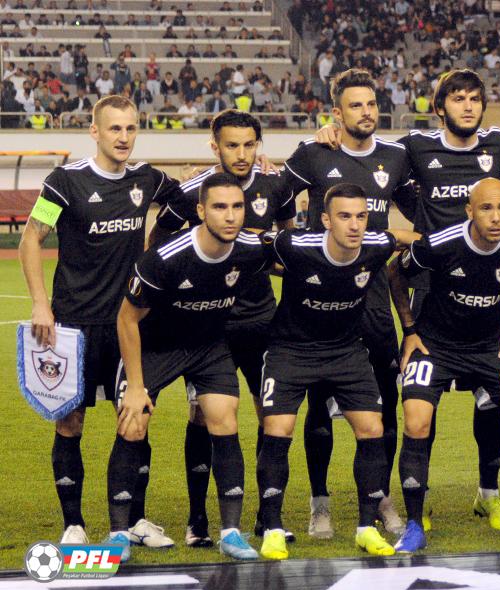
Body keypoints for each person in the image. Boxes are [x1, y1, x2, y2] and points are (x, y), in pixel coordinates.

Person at [314, 68, 500, 532]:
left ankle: (489, 495)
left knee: (489, 398)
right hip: (429, 291)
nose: (467, 106)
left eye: (474, 98)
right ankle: (417, 498)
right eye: (457, 98)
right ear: (439, 107)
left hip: (487, 290)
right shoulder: (414, 148)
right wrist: (330, 131)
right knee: (422, 402)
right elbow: (368, 156)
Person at [18, 94, 182, 548]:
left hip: (127, 325)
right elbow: (31, 239)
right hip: (72, 325)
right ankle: (73, 524)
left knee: (135, 419)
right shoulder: (64, 182)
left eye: (130, 128)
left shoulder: (147, 179)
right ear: (95, 131)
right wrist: (40, 304)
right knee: (69, 423)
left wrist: (154, 247)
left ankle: (135, 521)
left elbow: (191, 200)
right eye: (114, 128)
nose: (123, 137)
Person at [389, 179, 500, 552]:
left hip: (489, 347)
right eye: (486, 208)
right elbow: (395, 273)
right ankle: (414, 526)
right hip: (435, 346)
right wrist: (409, 331)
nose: (496, 217)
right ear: (469, 211)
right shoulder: (440, 244)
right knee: (417, 420)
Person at [150, 110, 296, 548]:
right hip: (207, 326)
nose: (242, 153)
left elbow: (288, 245)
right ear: (215, 146)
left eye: (249, 144)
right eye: (232, 145)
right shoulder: (192, 191)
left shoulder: (276, 185)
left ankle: (268, 518)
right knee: (203, 416)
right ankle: (197, 520)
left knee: (271, 414)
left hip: (261, 321)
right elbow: (157, 244)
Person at [282, 69, 415, 539]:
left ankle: (380, 498)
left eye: (371, 104)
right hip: (318, 303)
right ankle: (319, 503)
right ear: (336, 113)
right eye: (355, 105)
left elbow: (424, 208)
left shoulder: (396, 157)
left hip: (374, 303)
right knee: (319, 407)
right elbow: (272, 199)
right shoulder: (314, 152)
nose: (366, 112)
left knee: (384, 406)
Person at [109, 172, 268, 562]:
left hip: (208, 346)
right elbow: (126, 320)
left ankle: (231, 533)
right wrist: (135, 386)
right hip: (156, 347)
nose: (230, 215)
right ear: (200, 211)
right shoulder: (165, 258)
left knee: (225, 418)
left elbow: (302, 251)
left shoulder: (251, 249)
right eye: (219, 207)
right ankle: (118, 534)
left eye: (237, 206)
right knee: (133, 422)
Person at [255, 184, 415, 560]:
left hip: (346, 351)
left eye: (361, 216)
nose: (355, 225)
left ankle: (365, 528)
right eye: (344, 216)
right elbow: (251, 242)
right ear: (326, 220)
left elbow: (404, 238)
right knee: (278, 429)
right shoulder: (295, 245)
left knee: (372, 428)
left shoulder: (376, 245)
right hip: (290, 350)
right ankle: (273, 529)